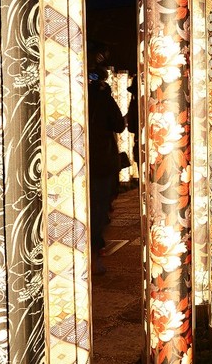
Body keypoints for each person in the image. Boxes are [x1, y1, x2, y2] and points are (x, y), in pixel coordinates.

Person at [87, 65, 125, 275]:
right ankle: (95, 255)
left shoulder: (68, 95)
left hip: (74, 162)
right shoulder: (103, 99)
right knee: (99, 208)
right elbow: (119, 125)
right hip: (101, 161)